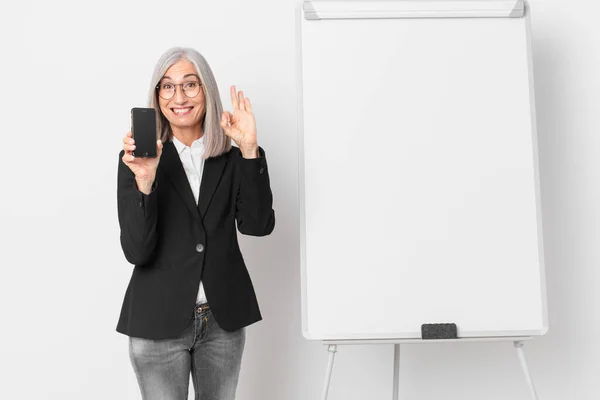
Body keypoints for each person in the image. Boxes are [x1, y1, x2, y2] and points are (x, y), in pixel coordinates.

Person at [116, 47, 275, 400]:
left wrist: (250, 150)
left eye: (190, 85)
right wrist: (145, 182)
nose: (179, 97)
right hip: (157, 320)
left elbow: (258, 224)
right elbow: (137, 250)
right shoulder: (138, 159)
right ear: (157, 97)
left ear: (207, 91)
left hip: (222, 321)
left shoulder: (231, 158)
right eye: (168, 87)